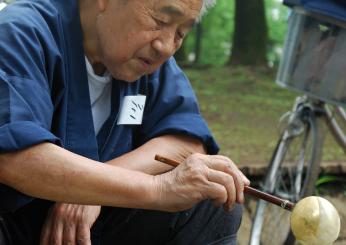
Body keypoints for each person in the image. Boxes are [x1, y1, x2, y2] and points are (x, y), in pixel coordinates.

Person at [0, 0, 250, 244]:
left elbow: (186, 142)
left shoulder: (146, 62)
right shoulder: (21, 32)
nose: (166, 46)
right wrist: (157, 188)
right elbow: (13, 157)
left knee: (208, 200)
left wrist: (94, 193)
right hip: (13, 226)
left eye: (181, 33)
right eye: (160, 21)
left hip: (93, 228)